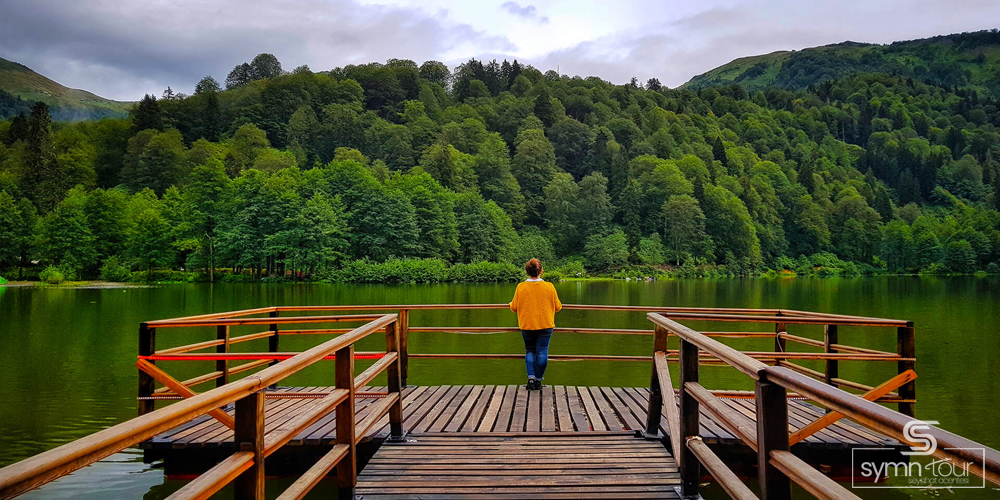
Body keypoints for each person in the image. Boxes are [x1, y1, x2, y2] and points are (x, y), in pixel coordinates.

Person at [508, 259, 562, 390]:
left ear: (527, 271)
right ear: (541, 271)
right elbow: (558, 307)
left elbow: (514, 307)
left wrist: (510, 304)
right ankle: (538, 380)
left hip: (527, 324)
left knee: (530, 351)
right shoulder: (549, 287)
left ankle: (531, 378)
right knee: (542, 351)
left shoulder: (521, 287)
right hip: (546, 324)